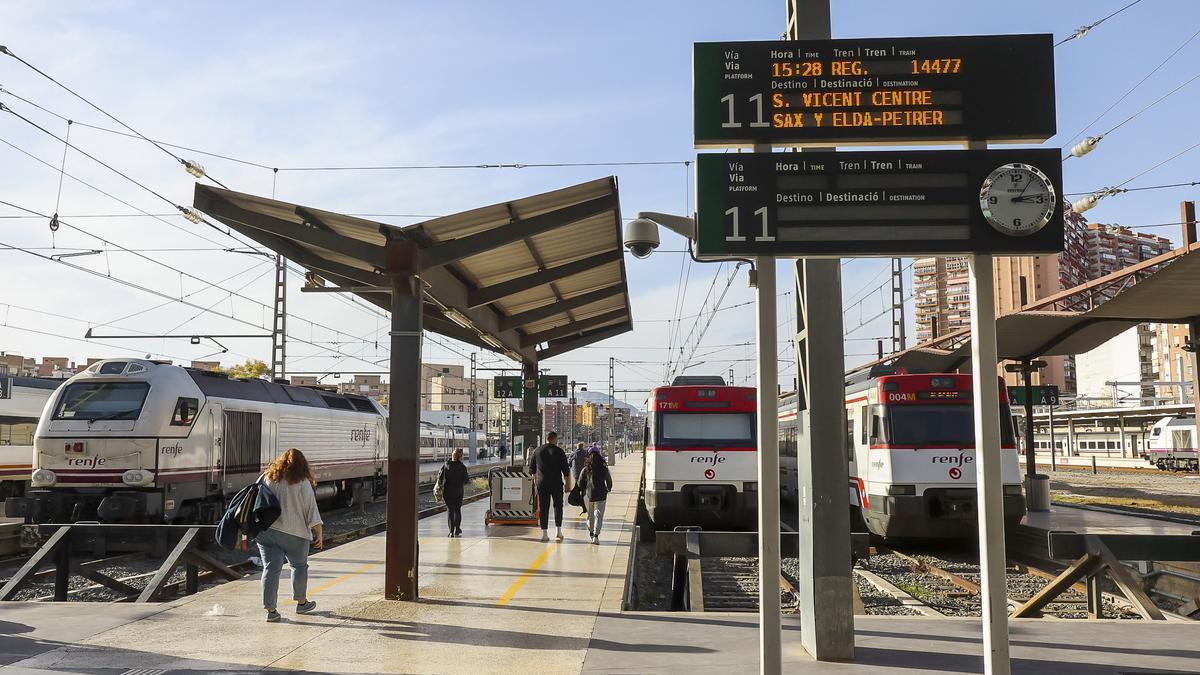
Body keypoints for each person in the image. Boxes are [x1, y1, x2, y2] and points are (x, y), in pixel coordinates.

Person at [257, 448, 324, 623]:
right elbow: (311, 509)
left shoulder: (267, 478)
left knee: (271, 569)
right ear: (302, 465)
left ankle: (271, 611)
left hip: (267, 533)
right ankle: (301, 603)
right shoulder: (302, 481)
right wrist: (318, 531)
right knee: (299, 566)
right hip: (295, 533)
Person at [528, 431, 571, 542]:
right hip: (556, 483)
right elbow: (566, 470)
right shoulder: (559, 451)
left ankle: (545, 534)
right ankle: (558, 531)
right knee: (558, 506)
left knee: (543, 507)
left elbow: (532, 470)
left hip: (542, 484)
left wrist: (535, 482)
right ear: (555, 439)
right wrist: (567, 484)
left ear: (546, 439)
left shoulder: (537, 451)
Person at [578, 447, 613, 545]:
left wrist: (581, 491)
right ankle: (596, 536)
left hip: (588, 495)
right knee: (598, 515)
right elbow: (609, 481)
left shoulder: (586, 469)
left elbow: (580, 483)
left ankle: (591, 532)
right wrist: (609, 488)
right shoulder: (603, 468)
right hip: (601, 494)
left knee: (590, 515)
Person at [439, 448, 470, 537]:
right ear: (460, 457)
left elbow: (440, 478)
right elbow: (466, 480)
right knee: (457, 510)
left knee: (450, 510)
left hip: (448, 491)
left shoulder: (445, 465)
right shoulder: (462, 467)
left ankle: (451, 531)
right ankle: (457, 529)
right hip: (458, 491)